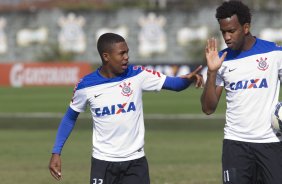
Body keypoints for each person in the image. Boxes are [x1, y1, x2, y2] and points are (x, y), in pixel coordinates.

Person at [49, 32, 203, 184]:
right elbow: (70, 118)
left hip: (135, 162)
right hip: (103, 163)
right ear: (106, 56)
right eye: (121, 53)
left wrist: (188, 80)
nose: (126, 57)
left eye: (127, 52)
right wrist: (56, 151)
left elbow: (175, 84)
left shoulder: (138, 75)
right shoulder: (85, 86)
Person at [201, 1, 282, 184]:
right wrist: (212, 72)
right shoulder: (221, 60)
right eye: (223, 32)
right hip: (235, 144)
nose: (227, 37)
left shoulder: (274, 54)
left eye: (232, 31)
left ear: (246, 28)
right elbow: (208, 108)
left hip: (271, 144)